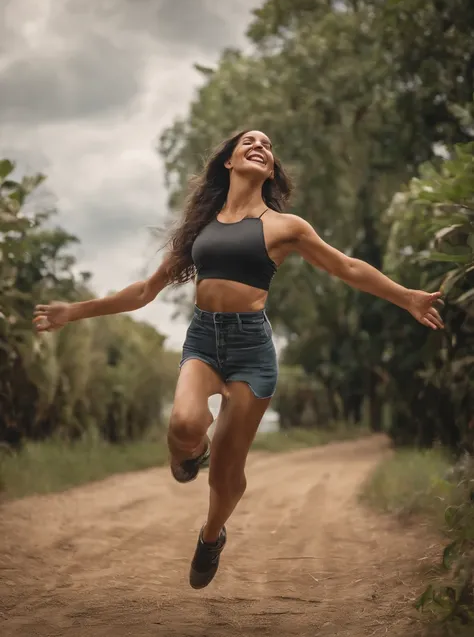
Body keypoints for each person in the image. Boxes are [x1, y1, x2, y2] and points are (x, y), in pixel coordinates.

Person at [33, 129, 444, 590]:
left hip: (252, 350)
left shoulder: (286, 227)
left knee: (228, 473)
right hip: (203, 341)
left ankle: (211, 535)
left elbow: (346, 266)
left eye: (267, 146)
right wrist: (76, 311)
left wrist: (405, 296)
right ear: (228, 161)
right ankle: (193, 450)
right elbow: (145, 291)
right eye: (248, 141)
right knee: (184, 425)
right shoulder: (200, 230)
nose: (259, 146)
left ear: (269, 170)